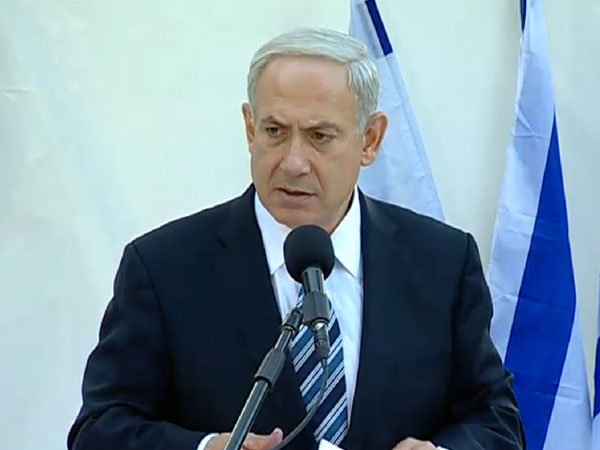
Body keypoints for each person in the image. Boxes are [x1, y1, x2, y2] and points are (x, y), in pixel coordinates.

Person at [68, 28, 525, 450]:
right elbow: (99, 428)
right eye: (274, 131)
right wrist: (206, 448)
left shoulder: (442, 262)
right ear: (250, 128)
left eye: (320, 136)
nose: (292, 162)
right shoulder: (164, 267)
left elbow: (496, 421)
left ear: (370, 139)